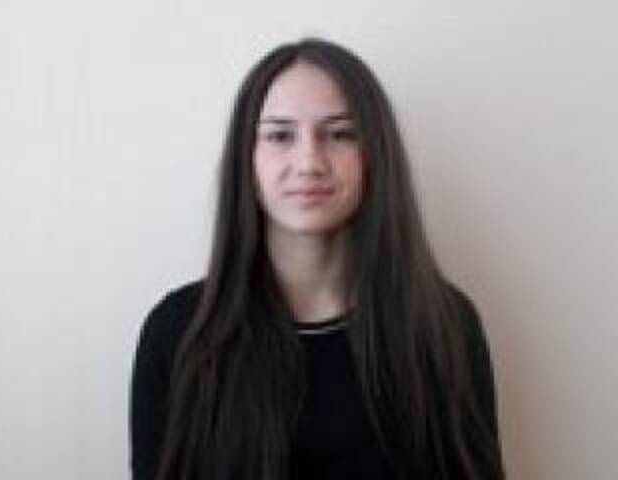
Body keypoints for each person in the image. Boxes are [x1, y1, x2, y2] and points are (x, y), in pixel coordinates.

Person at [130, 38, 506, 480]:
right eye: (280, 135)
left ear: (374, 156)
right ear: (246, 160)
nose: (309, 162)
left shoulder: (446, 327)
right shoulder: (178, 334)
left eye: (340, 134)